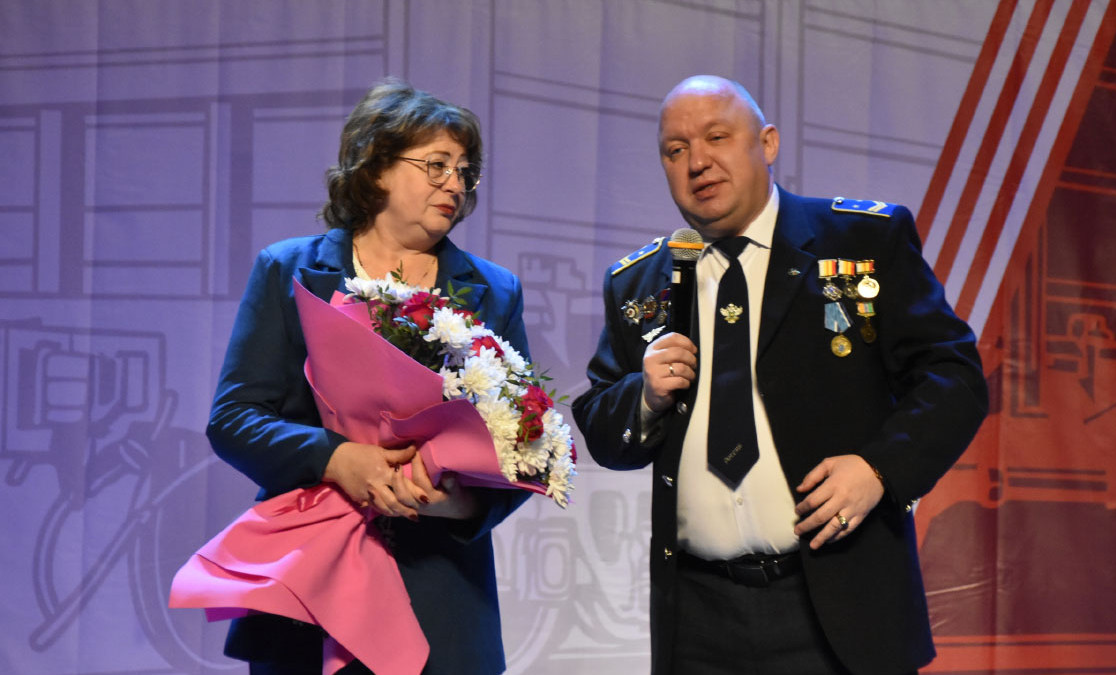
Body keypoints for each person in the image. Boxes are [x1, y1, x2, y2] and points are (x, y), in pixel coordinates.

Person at [572, 75, 988, 674]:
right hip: (697, 615)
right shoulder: (639, 282)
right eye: (675, 150)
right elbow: (601, 426)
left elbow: (954, 375)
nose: (697, 162)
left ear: (767, 143)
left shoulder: (862, 239)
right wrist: (644, 398)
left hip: (836, 603)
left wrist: (880, 469)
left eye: (717, 137)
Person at [207, 78, 530, 675]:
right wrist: (337, 458)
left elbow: (522, 447)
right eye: (436, 165)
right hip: (308, 589)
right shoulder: (288, 270)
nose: (455, 184)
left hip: (440, 597)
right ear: (377, 167)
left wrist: (458, 505)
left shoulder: (496, 291)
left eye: (465, 172)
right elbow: (234, 420)